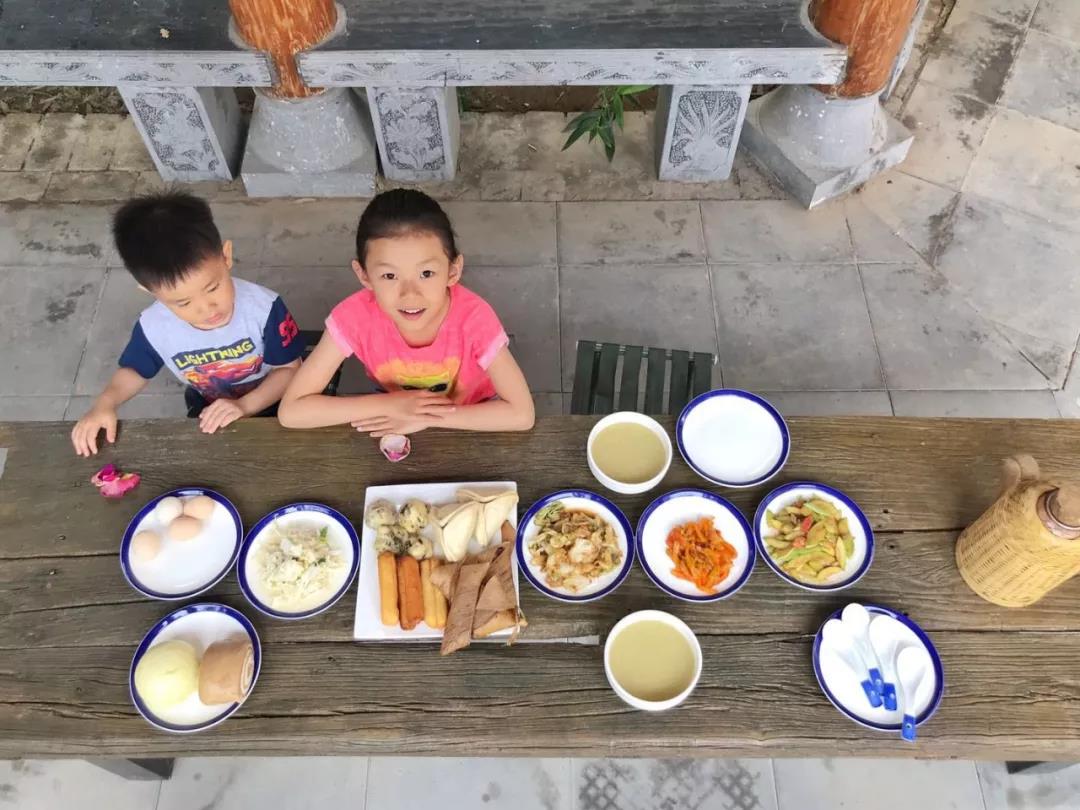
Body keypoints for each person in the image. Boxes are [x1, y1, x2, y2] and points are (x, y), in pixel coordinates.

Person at [278, 189, 534, 436]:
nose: (410, 294)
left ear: (453, 271)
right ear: (364, 275)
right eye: (389, 276)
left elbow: (521, 414)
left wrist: (422, 417)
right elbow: (292, 411)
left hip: (472, 413)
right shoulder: (353, 318)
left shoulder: (475, 319)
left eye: (426, 273)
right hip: (393, 410)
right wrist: (391, 405)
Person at [71, 192, 306, 456]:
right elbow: (135, 370)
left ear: (226, 256)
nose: (207, 309)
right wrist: (104, 404)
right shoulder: (154, 327)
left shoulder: (263, 309)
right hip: (208, 405)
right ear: (150, 291)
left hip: (273, 399)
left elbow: (289, 369)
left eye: (213, 288)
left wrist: (245, 406)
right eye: (183, 303)